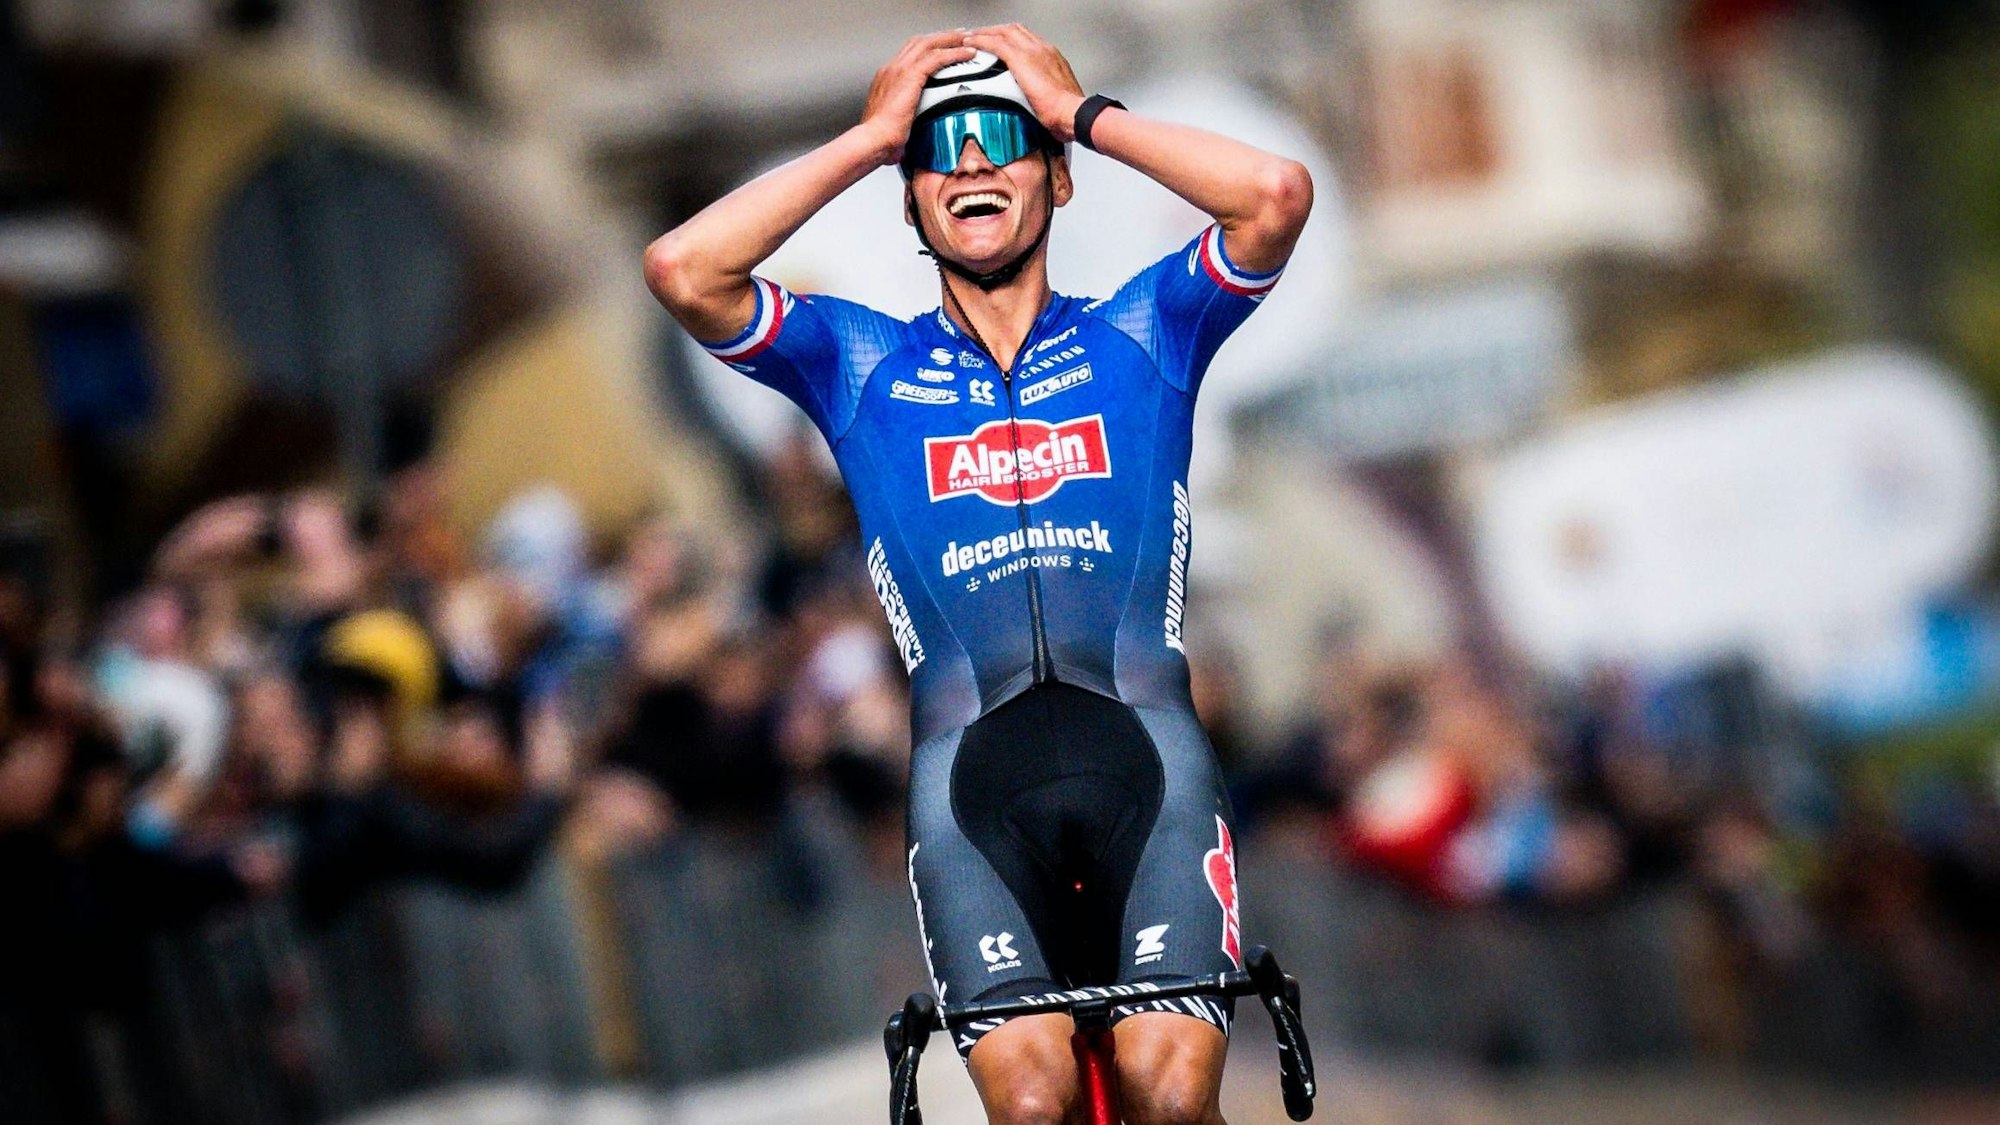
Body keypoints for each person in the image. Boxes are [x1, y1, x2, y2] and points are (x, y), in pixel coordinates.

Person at [645, 25, 1310, 1125]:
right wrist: (867, 140)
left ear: (1056, 178)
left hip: (1146, 763)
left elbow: (1274, 196)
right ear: (911, 207)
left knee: (1166, 1090)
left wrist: (1082, 114)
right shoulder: (861, 365)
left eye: (1001, 141)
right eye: (935, 154)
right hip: (970, 786)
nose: (967, 164)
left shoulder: (1145, 333)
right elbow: (683, 269)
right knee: (1033, 1103)